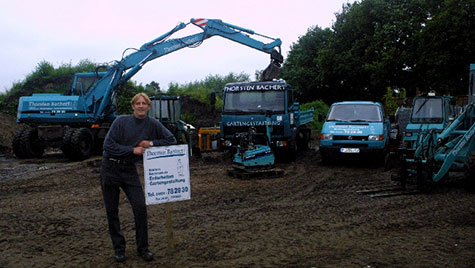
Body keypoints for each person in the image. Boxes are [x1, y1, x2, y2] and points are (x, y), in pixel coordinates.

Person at [100, 92, 177, 263]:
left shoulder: (152, 124)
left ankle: (143, 248)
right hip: (110, 168)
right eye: (138, 103)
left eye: (144, 103)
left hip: (129, 170)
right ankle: (119, 249)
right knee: (112, 211)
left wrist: (151, 143)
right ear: (133, 106)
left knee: (140, 207)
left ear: (148, 107)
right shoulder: (120, 122)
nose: (141, 106)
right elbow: (108, 145)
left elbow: (171, 139)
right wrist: (132, 150)